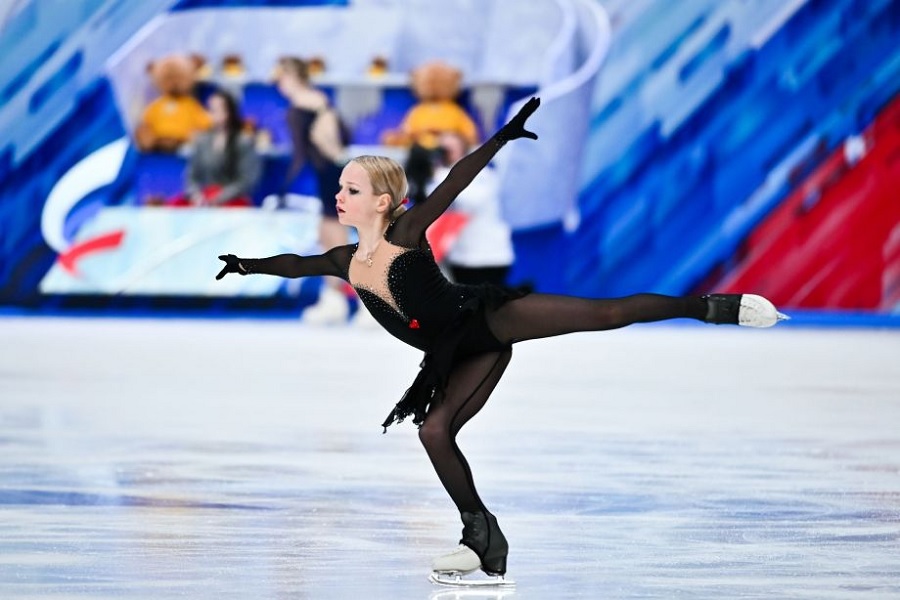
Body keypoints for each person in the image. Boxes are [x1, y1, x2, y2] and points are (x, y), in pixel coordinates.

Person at [215, 98, 788, 581]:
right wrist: (246, 265)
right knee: (433, 431)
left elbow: (455, 180)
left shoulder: (407, 233)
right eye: (341, 187)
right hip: (448, 355)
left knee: (606, 313)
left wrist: (501, 138)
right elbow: (297, 263)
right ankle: (482, 538)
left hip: (487, 324)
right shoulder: (345, 260)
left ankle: (713, 307)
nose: (339, 196)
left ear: (383, 202)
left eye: (352, 189)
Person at [274, 56, 360, 324]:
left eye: (280, 78)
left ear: (291, 76)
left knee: (335, 237)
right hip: (332, 172)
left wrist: (285, 186)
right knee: (328, 234)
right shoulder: (320, 100)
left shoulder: (302, 105)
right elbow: (341, 138)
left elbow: (304, 151)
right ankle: (335, 297)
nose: (278, 84)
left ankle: (360, 299)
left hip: (330, 174)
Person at [427, 132, 513, 286]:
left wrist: (440, 175)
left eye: (449, 148)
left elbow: (470, 201)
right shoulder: (440, 176)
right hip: (461, 256)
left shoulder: (481, 173)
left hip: (489, 256)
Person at [180, 89, 260, 207]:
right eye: (210, 109)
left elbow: (247, 180)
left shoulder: (243, 141)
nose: (212, 114)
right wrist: (196, 195)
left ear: (229, 111)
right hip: (205, 197)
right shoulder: (202, 140)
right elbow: (191, 175)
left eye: (217, 110)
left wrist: (220, 197)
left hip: (232, 198)